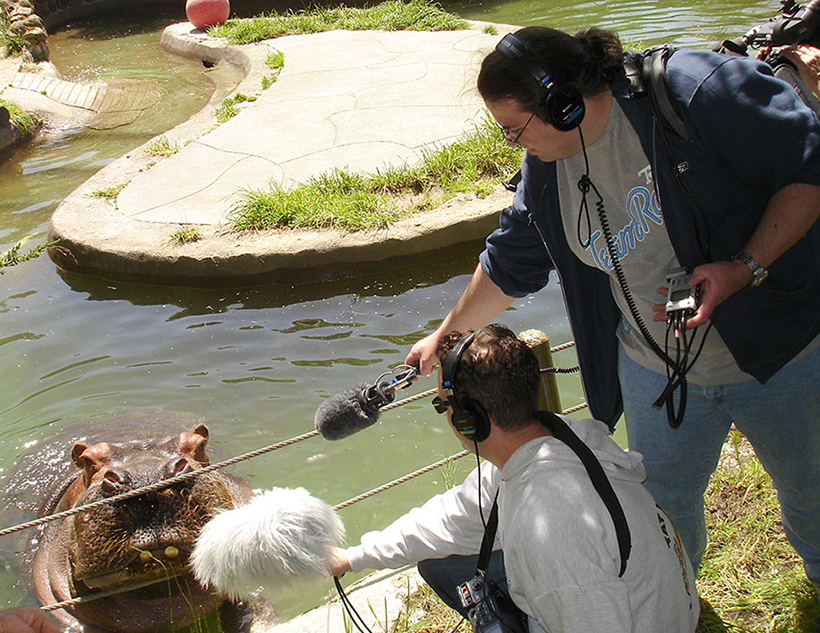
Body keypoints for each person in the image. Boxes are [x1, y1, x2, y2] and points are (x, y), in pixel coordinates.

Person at [405, 26, 820, 591]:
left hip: (782, 352)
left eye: (513, 130)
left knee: (811, 491)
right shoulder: (547, 166)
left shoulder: (695, 92)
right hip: (656, 367)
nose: (512, 146)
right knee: (662, 505)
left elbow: (808, 168)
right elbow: (511, 261)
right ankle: (674, 608)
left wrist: (743, 266)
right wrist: (446, 335)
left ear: (563, 104)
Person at [331, 324, 699, 632]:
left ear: (468, 419)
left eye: (443, 404)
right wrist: (352, 558)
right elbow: (449, 519)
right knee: (441, 563)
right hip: (651, 604)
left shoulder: (550, 526)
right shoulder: (554, 438)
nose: (445, 415)